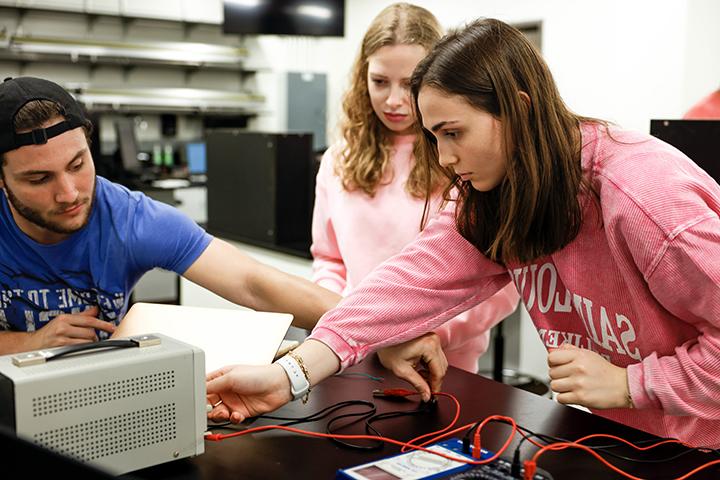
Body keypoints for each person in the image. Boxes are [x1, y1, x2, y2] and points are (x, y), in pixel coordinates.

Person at [207, 19, 720, 449]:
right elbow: (401, 289)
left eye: (453, 133)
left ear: (517, 109)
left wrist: (631, 384)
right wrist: (288, 377)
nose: (445, 159)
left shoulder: (643, 196)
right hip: (613, 437)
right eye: (434, 137)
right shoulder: (497, 191)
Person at [0, 76, 344, 355]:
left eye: (78, 165)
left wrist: (374, 326)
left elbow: (253, 284)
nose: (70, 193)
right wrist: (31, 344)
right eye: (39, 178)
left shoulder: (129, 219)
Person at [310, 3, 518, 374]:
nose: (393, 100)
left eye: (410, 84)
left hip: (441, 362)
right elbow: (329, 260)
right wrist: (347, 323)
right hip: (352, 353)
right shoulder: (337, 160)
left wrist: (434, 333)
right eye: (379, 82)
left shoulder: (469, 159)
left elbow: (500, 281)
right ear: (363, 77)